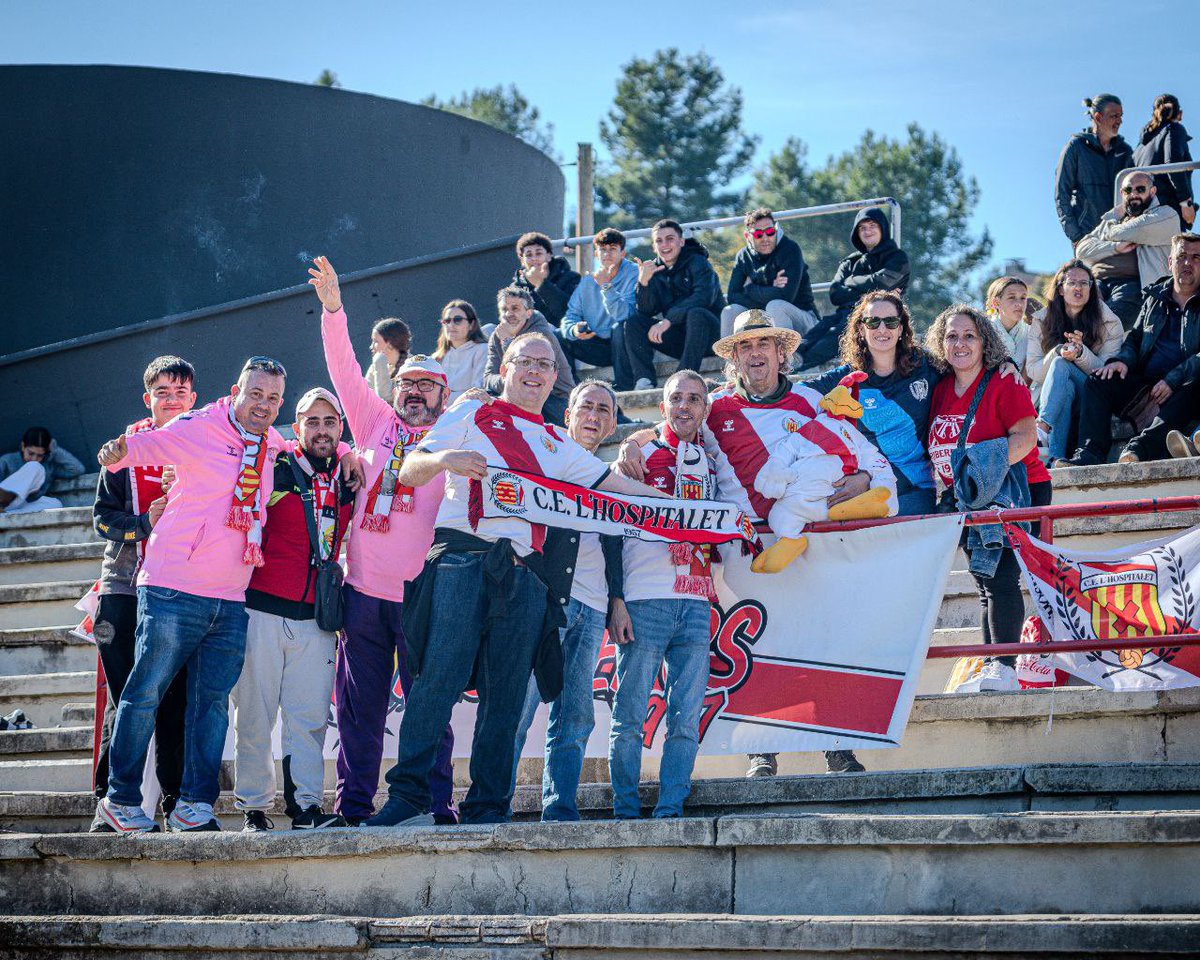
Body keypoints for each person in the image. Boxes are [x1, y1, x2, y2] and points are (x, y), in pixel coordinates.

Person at [365, 331, 670, 827]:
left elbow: (611, 485)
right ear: (504, 368)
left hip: (527, 576)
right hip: (463, 559)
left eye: (545, 365)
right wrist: (444, 460)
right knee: (437, 680)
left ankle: (488, 805)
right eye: (525, 361)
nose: (535, 371)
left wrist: (687, 511)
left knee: (506, 695)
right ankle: (408, 798)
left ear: (554, 379)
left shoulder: (555, 441)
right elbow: (410, 470)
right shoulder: (471, 411)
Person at [616, 311, 893, 776]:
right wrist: (632, 441)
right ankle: (760, 750)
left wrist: (864, 477)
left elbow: (862, 451)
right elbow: (675, 422)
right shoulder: (716, 407)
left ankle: (837, 747)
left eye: (764, 344)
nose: (755, 353)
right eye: (745, 346)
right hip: (746, 548)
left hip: (804, 543)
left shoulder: (810, 401)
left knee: (819, 644)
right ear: (735, 358)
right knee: (755, 650)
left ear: (782, 353)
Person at [92, 356, 288, 833]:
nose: (263, 405)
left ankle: (193, 806)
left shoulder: (269, 442)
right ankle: (119, 800)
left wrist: (345, 452)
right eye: (255, 394)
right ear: (235, 392)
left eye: (273, 398)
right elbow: (142, 446)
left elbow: (303, 441)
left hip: (231, 596)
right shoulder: (199, 425)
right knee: (144, 695)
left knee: (211, 706)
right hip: (172, 587)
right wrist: (117, 449)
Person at [312, 256, 460, 827]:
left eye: (427, 385)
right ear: (393, 389)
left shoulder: (457, 433)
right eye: (407, 384)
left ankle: (436, 805)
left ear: (444, 394)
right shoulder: (374, 422)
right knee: (358, 711)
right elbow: (343, 369)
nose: (415, 392)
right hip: (362, 593)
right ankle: (352, 808)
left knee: (429, 710)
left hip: (425, 597)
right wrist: (333, 310)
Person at [232, 387, 357, 832]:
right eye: (312, 422)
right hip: (261, 611)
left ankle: (305, 807)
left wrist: (349, 455)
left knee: (309, 720)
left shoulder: (349, 478)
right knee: (254, 716)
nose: (321, 431)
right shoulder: (277, 465)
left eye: (330, 422)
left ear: (340, 428)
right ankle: (253, 809)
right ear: (297, 426)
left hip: (318, 619)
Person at [509, 379, 630, 821]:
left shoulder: (612, 479)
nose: (593, 416)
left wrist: (617, 599)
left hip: (594, 610)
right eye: (586, 407)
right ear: (568, 415)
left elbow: (614, 542)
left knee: (576, 716)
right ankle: (493, 804)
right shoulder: (546, 456)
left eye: (603, 410)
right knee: (518, 708)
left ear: (612, 425)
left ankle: (559, 809)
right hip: (545, 602)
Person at [89, 356, 196, 830]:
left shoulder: (206, 442)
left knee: (174, 701)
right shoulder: (123, 448)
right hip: (125, 590)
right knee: (124, 700)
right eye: (162, 393)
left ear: (193, 399)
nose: (171, 400)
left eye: (180, 393)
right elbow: (101, 518)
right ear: (147, 398)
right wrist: (142, 524)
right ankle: (107, 804)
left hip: (181, 592)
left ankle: (176, 805)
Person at [608, 370, 718, 819]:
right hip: (645, 600)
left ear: (705, 409)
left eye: (694, 399)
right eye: (676, 398)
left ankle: (671, 806)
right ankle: (625, 810)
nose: (684, 406)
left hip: (696, 600)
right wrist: (617, 599)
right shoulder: (639, 454)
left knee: (686, 718)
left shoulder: (712, 458)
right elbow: (611, 527)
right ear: (662, 407)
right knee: (629, 716)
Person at [926, 306, 1051, 692]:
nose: (960, 343)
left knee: (1000, 578)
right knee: (984, 581)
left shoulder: (1003, 381)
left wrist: (980, 477)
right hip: (966, 498)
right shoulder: (941, 388)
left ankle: (1005, 667)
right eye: (951, 336)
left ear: (985, 342)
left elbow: (1026, 438)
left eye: (970, 335)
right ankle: (993, 665)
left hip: (1013, 492)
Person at [1067, 233, 1200, 466]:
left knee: (1194, 386)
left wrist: (1172, 379)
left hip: (1185, 383)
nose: (1187, 262)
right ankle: (1088, 454)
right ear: (1170, 262)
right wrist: (1122, 361)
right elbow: (1135, 339)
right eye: (1181, 256)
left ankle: (1138, 449)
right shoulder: (1154, 298)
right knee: (1099, 380)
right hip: (1145, 382)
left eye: (1196, 257)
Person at [805, 292, 940, 517]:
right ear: (861, 329)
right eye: (873, 322)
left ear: (901, 329)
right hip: (864, 490)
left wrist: (1003, 365)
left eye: (891, 322)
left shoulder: (926, 367)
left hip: (915, 489)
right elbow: (796, 394)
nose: (882, 329)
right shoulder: (847, 378)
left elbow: (967, 367)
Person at [1026, 261, 1124, 466]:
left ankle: (1042, 427)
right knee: (1065, 380)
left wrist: (1080, 352)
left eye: (1084, 283)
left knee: (1062, 364)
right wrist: (1058, 351)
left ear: (1091, 288)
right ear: (1061, 289)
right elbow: (1034, 371)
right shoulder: (1041, 321)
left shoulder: (1110, 323)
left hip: (1093, 394)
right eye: (1072, 283)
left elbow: (1105, 372)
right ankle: (1055, 458)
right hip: (1056, 393)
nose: (1078, 287)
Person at [801, 207, 910, 371]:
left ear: (882, 228)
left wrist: (851, 281)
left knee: (840, 331)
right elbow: (835, 294)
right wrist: (868, 288)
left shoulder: (897, 258)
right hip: (843, 312)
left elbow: (882, 283)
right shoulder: (850, 262)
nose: (867, 231)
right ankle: (794, 356)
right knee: (822, 327)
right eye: (862, 228)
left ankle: (800, 364)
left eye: (872, 226)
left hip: (877, 317)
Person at [625, 219, 724, 390]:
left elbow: (703, 297)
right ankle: (644, 380)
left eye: (670, 239)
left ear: (682, 241)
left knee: (696, 314)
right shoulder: (655, 270)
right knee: (634, 322)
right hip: (681, 340)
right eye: (659, 241)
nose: (664, 245)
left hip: (709, 337)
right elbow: (646, 311)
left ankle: (682, 380)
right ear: (654, 247)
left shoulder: (698, 262)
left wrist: (668, 320)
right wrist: (644, 283)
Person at [1076, 170, 1181, 329]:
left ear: (1152, 191)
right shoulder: (1114, 220)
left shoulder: (1165, 215)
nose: (1133, 194)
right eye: (1127, 190)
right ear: (1122, 193)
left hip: (1133, 285)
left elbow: (1124, 232)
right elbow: (1082, 251)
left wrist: (1110, 228)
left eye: (1140, 189)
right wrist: (1115, 247)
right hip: (1096, 281)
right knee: (1069, 316)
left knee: (1106, 326)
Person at [558, 227, 639, 391]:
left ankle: (625, 388)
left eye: (613, 249)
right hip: (599, 345)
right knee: (558, 335)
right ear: (596, 254)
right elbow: (570, 315)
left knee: (620, 327)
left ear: (623, 253)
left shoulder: (634, 273)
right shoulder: (588, 281)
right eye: (603, 249)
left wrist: (606, 286)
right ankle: (569, 390)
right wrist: (574, 329)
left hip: (627, 345)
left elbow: (625, 315)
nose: (607, 254)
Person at [721, 208, 819, 340]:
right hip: (763, 319)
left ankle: (786, 353)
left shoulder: (790, 250)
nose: (765, 238)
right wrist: (772, 288)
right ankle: (729, 354)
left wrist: (749, 288)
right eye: (758, 234)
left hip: (804, 319)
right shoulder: (743, 256)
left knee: (775, 306)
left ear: (776, 230)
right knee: (729, 311)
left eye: (770, 232)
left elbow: (786, 296)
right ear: (747, 236)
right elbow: (733, 296)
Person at [485, 285, 575, 425]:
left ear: (528, 313)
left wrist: (507, 342)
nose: (509, 314)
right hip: (522, 393)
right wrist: (507, 381)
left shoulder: (541, 336)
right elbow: (488, 378)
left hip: (555, 400)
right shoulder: (497, 336)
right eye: (504, 309)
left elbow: (532, 373)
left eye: (515, 308)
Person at [1055, 94, 1134, 246]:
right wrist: (1076, 236)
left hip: (1120, 236)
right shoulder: (1076, 147)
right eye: (1114, 116)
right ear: (1098, 117)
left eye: (1121, 116)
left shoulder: (1125, 151)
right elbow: (1062, 194)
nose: (1120, 121)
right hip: (1088, 236)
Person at [1133, 94, 1195, 227]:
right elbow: (1173, 163)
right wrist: (1186, 203)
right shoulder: (1174, 129)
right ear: (1179, 114)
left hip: (1140, 214)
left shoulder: (1140, 146)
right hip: (1166, 212)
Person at [0, 427, 85, 514]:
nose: (34, 458)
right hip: (5, 502)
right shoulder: (7, 461)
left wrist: (55, 450)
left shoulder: (48, 467)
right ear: (23, 446)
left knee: (55, 504)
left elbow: (77, 469)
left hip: (21, 505)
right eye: (31, 453)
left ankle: (6, 515)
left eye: (40, 455)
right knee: (34, 466)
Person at [510, 231, 581, 329]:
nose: (534, 258)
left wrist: (541, 285)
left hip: (558, 333)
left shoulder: (571, 279)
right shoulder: (517, 287)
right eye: (529, 255)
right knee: (490, 328)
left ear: (549, 256)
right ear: (522, 260)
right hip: (526, 334)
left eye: (538, 253)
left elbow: (568, 313)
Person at [431, 300, 488, 402]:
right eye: (447, 321)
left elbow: (478, 394)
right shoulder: (437, 358)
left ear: (471, 324)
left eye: (457, 320)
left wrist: (439, 398)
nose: (451, 325)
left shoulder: (483, 350)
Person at [985, 277, 1031, 371]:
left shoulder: (1033, 332)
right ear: (996, 302)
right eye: (1011, 297)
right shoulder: (983, 332)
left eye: (1023, 298)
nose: (1019, 304)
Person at [366, 318, 412, 402]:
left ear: (390, 344)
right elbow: (365, 395)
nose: (371, 346)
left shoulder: (411, 367)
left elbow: (386, 399)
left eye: (376, 341)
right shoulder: (375, 366)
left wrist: (379, 362)